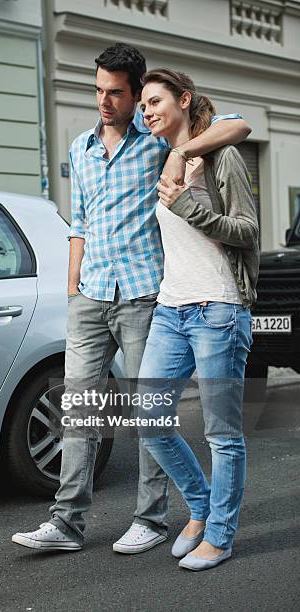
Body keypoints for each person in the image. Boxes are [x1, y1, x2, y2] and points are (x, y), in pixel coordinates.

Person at [12, 43, 251, 554]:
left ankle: (152, 517)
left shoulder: (159, 137)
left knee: (153, 416)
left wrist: (184, 150)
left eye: (116, 93)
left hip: (146, 292)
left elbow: (234, 123)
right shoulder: (81, 148)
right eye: (98, 90)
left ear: (137, 91)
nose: (105, 101)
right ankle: (67, 522)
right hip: (93, 292)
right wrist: (73, 285)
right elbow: (80, 220)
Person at [136, 68, 259, 570]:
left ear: (184, 100)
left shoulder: (220, 156)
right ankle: (201, 508)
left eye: (154, 101)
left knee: (222, 434)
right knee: (149, 418)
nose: (146, 111)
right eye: (141, 104)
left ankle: (221, 535)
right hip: (171, 308)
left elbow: (247, 231)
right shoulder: (161, 158)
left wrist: (188, 204)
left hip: (219, 309)